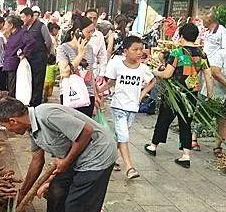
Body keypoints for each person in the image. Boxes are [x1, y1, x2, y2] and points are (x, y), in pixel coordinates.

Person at [0, 97, 117, 212]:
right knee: (55, 193)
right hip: (74, 156)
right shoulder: (32, 129)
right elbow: (36, 161)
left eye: (6, 127)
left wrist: (65, 162)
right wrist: (23, 193)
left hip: (97, 155)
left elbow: (86, 131)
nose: (8, 131)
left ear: (13, 121)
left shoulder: (47, 115)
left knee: (77, 207)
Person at [146, 23, 213, 168]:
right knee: (186, 123)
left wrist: (155, 72)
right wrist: (209, 94)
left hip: (174, 93)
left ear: (182, 36)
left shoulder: (177, 53)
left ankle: (153, 146)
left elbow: (167, 74)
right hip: (191, 95)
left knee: (164, 119)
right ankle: (186, 155)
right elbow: (208, 75)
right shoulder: (202, 54)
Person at [99, 36, 156, 179]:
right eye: (135, 49)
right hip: (118, 106)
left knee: (120, 136)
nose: (139, 52)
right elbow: (110, 83)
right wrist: (98, 92)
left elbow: (152, 81)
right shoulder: (117, 65)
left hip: (133, 107)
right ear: (125, 51)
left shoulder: (143, 69)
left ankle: (109, 159)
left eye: (141, 49)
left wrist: (142, 95)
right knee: (124, 135)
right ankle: (129, 167)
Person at [57, 17, 97, 117]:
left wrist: (95, 95)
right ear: (78, 32)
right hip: (71, 94)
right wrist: (80, 55)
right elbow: (64, 73)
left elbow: (91, 74)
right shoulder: (63, 48)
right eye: (88, 32)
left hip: (88, 94)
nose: (91, 35)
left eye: (93, 32)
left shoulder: (90, 49)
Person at [20, 7, 52, 107]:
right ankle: (29, 100)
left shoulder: (41, 26)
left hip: (39, 57)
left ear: (29, 16)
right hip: (28, 58)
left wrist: (45, 53)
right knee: (29, 79)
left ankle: (36, 103)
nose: (22, 20)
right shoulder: (24, 27)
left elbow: (48, 42)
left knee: (38, 80)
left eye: (23, 17)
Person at [2, 15, 37, 97]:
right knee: (10, 85)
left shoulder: (22, 33)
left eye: (6, 24)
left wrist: (24, 53)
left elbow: (31, 42)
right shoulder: (12, 34)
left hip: (14, 63)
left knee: (13, 86)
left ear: (11, 25)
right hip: (9, 62)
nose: (4, 26)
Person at [85, 9, 108, 79]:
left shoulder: (99, 35)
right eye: (90, 18)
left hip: (93, 74)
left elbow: (102, 56)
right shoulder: (78, 33)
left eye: (94, 18)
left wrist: (101, 74)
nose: (92, 20)